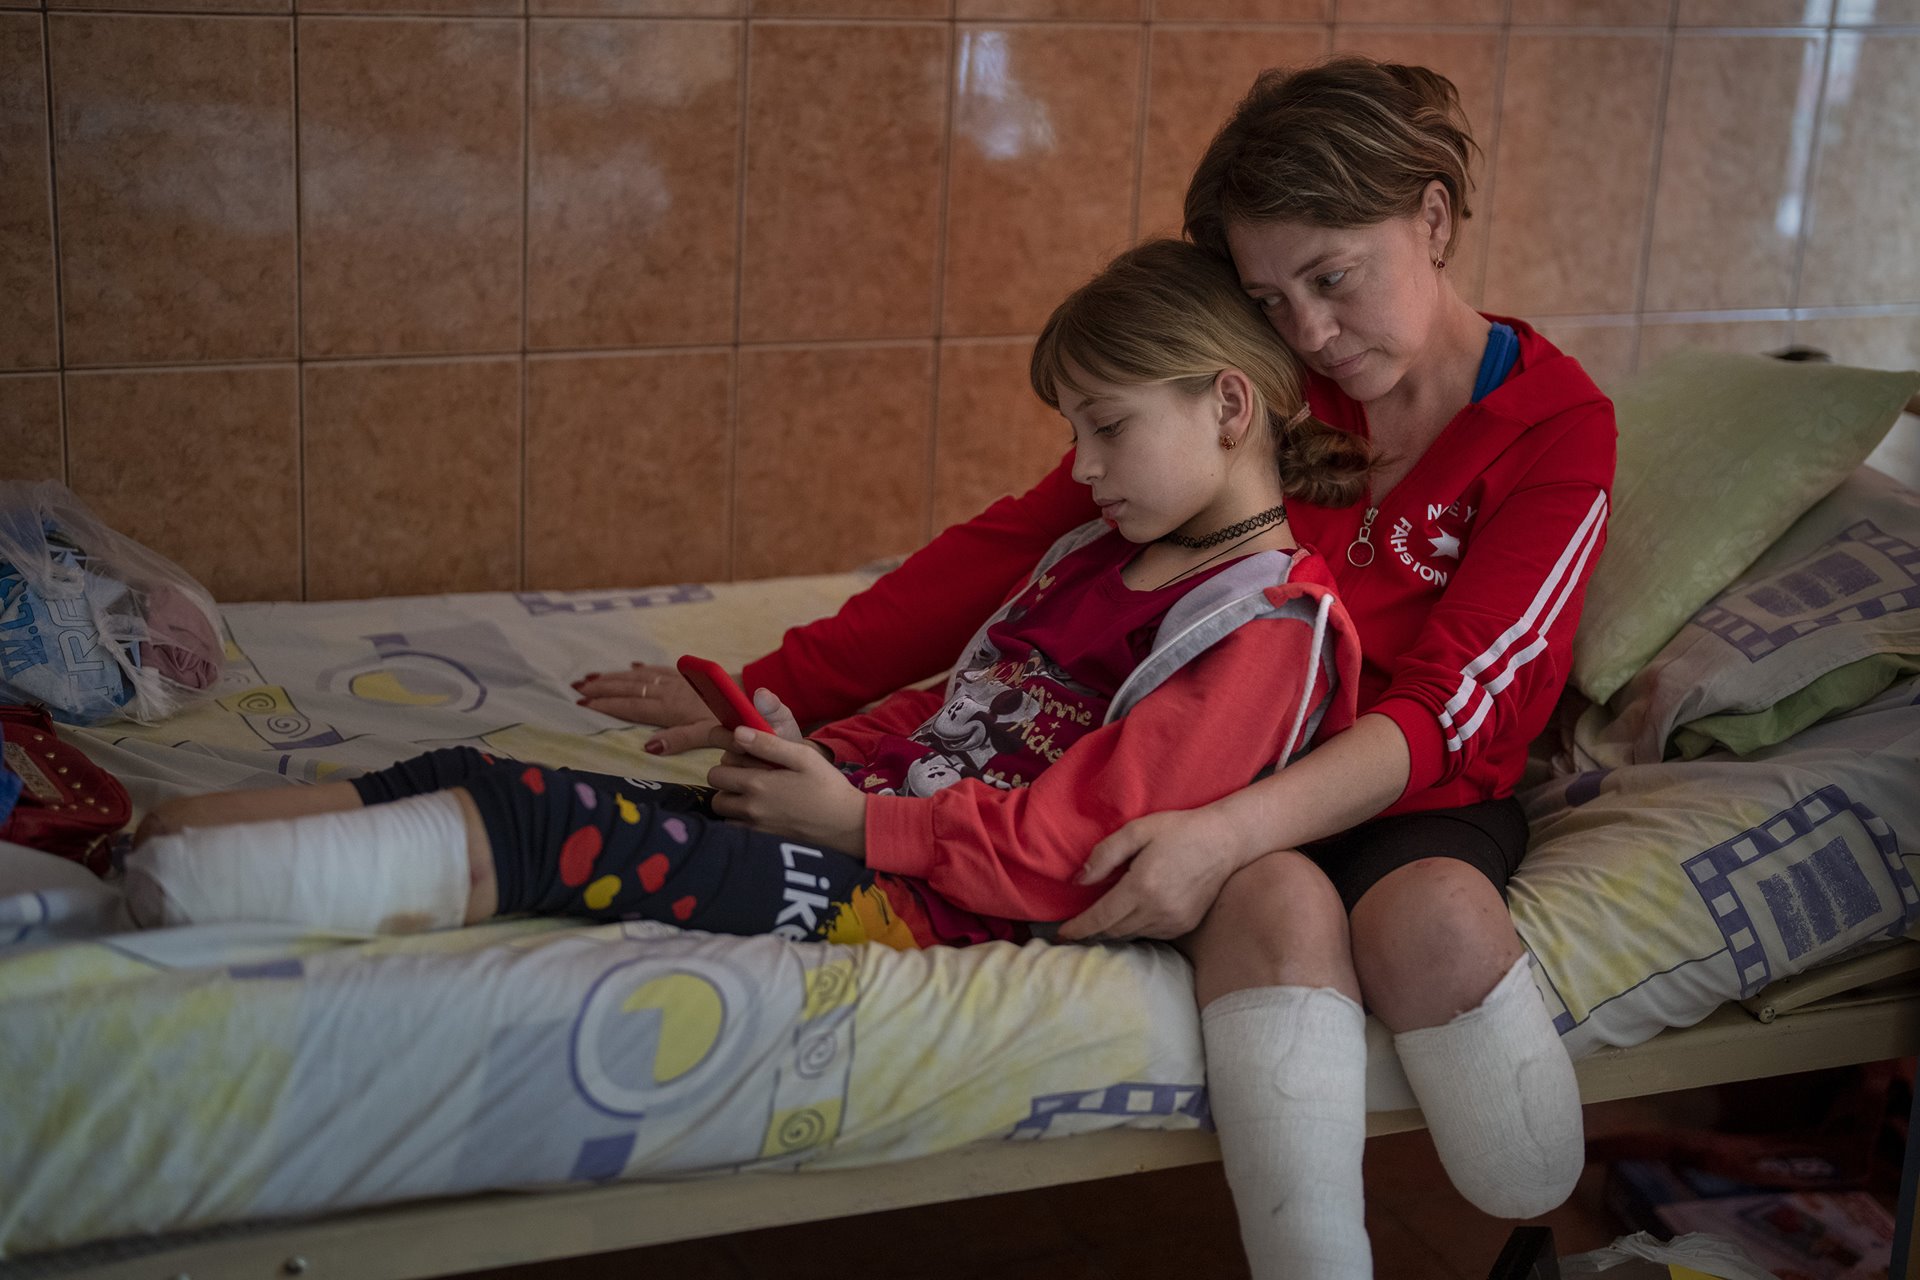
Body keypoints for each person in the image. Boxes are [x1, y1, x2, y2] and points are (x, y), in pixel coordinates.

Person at [586, 57, 1618, 1279]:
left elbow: (1453, 708)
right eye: (1269, 297)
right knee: (1275, 903)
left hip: (1401, 792)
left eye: (1334, 279)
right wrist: (777, 688)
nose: (1309, 332)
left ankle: (1546, 1214)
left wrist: (1226, 829)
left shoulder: (1557, 427)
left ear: (1434, 219)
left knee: (1439, 927)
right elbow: (1021, 545)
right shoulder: (1271, 387)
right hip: (1181, 751)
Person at [124, 239, 1368, 968]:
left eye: (1107, 428)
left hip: (933, 904)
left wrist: (860, 828)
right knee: (485, 768)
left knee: (552, 828)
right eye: (1074, 433)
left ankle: (161, 897)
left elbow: (1075, 843)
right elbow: (954, 714)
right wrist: (796, 752)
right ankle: (133, 844)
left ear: (1228, 406)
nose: (1080, 469)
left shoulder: (1263, 629)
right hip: (868, 830)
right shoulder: (1102, 555)